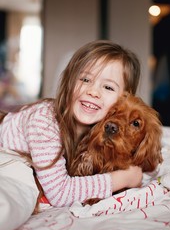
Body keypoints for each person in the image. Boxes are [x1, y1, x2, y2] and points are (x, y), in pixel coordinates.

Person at [0, 40, 143, 209]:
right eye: (85, 79)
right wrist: (124, 178)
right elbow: (59, 193)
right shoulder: (44, 120)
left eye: (108, 87)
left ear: (125, 100)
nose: (93, 91)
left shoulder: (105, 130)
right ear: (69, 82)